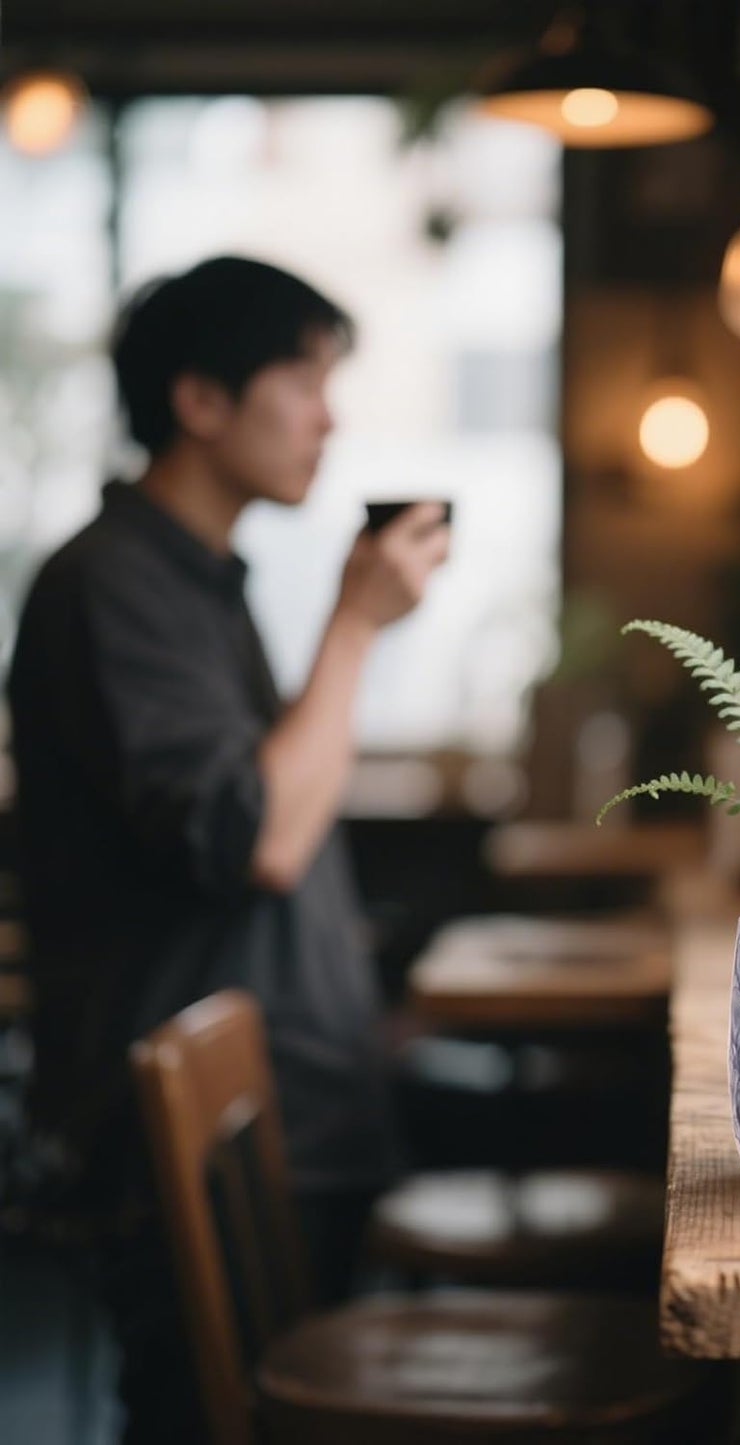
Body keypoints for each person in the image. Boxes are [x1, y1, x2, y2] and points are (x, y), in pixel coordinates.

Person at [6, 255, 450, 1442]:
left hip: (285, 1097)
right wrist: (355, 627)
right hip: (209, 1131)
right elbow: (252, 838)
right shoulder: (111, 583)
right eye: (301, 377)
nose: (328, 413)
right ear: (200, 401)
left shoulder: (198, 579)